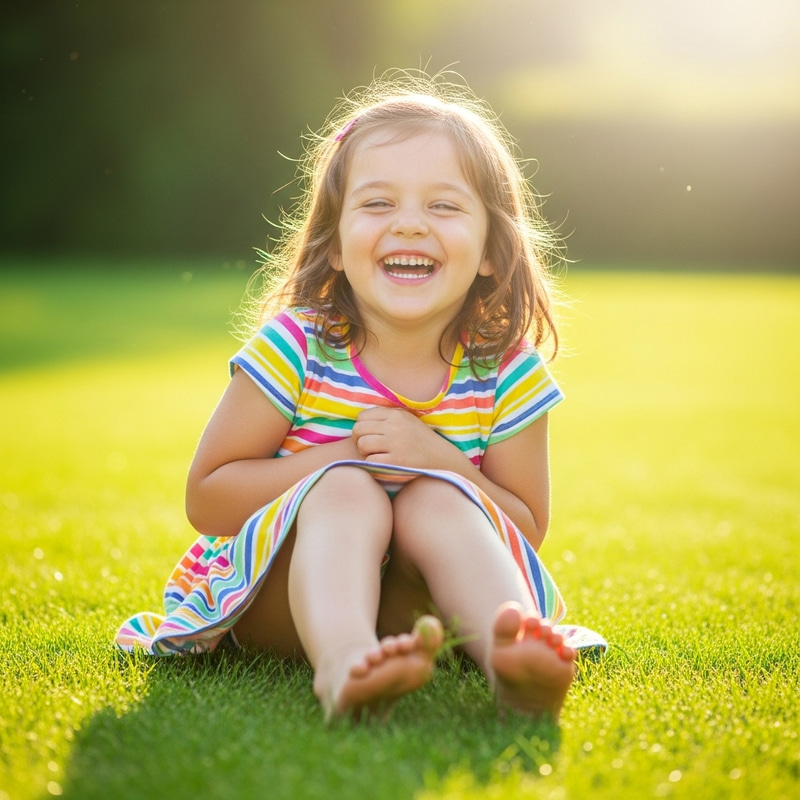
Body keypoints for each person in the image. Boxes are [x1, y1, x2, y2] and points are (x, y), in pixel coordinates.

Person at [116, 71, 605, 722]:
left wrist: (439, 461)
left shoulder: (505, 372)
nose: (409, 225)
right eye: (378, 204)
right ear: (336, 246)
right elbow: (207, 498)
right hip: (282, 605)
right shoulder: (297, 347)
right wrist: (344, 457)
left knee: (438, 498)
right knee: (345, 489)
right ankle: (344, 663)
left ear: (491, 250)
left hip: (425, 608)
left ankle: (506, 660)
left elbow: (525, 530)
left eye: (443, 206)